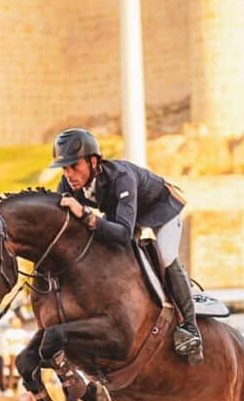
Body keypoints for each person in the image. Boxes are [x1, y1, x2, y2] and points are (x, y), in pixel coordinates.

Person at [51, 128, 202, 364]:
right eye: (65, 168)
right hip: (124, 216)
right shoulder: (69, 183)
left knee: (166, 254)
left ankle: (191, 328)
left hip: (162, 210)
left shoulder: (121, 177)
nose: (69, 174)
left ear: (93, 161)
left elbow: (122, 232)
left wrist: (87, 216)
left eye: (75, 166)